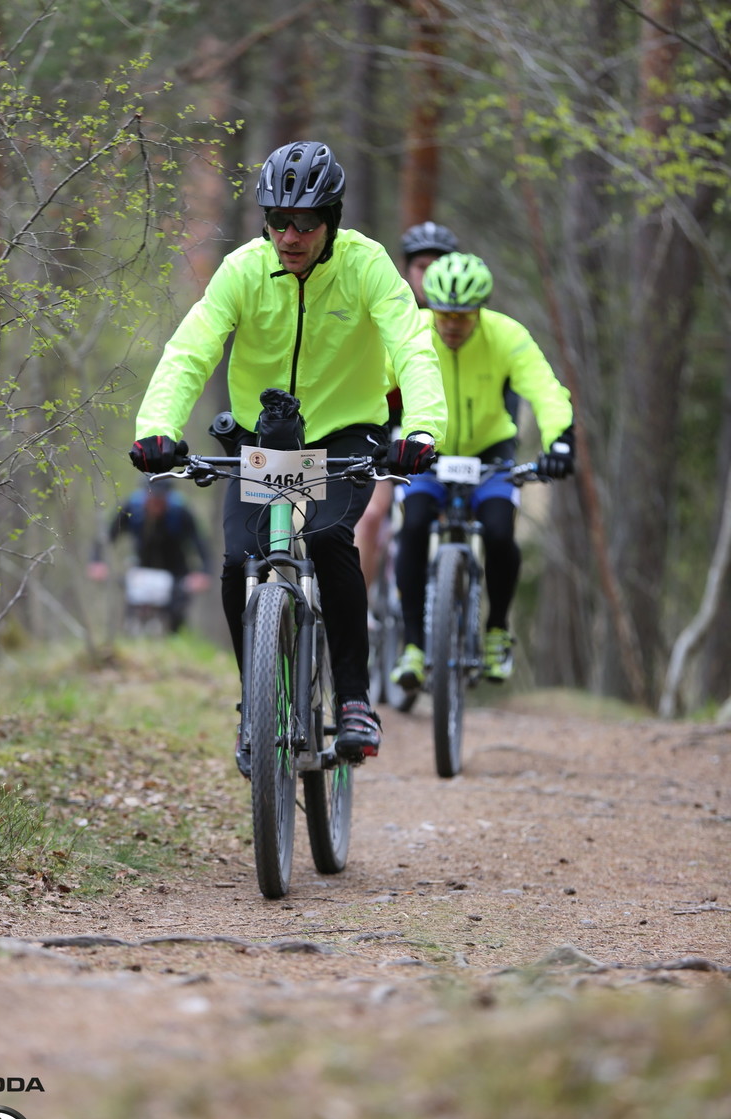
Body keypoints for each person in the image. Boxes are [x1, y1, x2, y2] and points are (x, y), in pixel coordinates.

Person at [128, 140, 447, 765]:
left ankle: (354, 697)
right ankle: (258, 702)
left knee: (329, 541)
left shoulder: (366, 265)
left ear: (332, 221)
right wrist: (157, 426)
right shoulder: (244, 269)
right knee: (234, 563)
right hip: (263, 441)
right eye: (278, 220)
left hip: (344, 437)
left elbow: (411, 340)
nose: (290, 236)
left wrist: (422, 429)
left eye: (305, 223)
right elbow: (191, 349)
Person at [390, 251, 575, 689]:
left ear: (480, 310)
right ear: (431, 306)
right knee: (413, 525)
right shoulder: (413, 333)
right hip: (428, 450)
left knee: (498, 532)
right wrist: (376, 433)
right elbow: (374, 383)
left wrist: (560, 442)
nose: (452, 324)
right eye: (445, 314)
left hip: (491, 451)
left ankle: (496, 631)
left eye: (464, 315)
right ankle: (413, 645)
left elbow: (546, 390)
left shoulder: (507, 336)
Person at [354, 221, 459, 592]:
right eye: (421, 266)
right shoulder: (390, 308)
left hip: (447, 437)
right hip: (386, 430)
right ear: (407, 269)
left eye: (437, 265)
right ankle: (359, 608)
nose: (429, 275)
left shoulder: (465, 318)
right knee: (370, 517)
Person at [88, 477, 212, 632]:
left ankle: (173, 640)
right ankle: (132, 639)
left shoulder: (180, 511)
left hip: (175, 567)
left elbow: (199, 542)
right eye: (152, 499)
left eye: (160, 500)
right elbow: (107, 535)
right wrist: (96, 561)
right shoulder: (132, 507)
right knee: (133, 606)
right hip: (141, 564)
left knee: (176, 611)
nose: (156, 505)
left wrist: (204, 572)